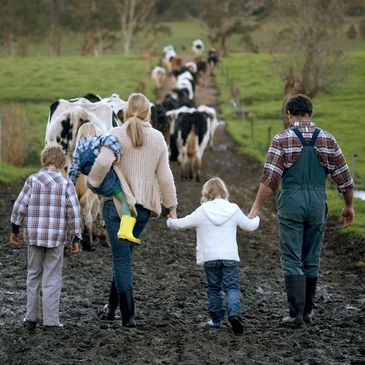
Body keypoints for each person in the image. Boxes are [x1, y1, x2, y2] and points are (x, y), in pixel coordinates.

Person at [248, 94, 355, 327]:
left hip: (292, 202)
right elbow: (345, 179)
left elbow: (270, 179)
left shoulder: (282, 139)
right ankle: (307, 312)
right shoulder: (327, 139)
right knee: (312, 255)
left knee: (291, 256)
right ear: (310, 114)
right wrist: (348, 205)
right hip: (318, 202)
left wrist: (256, 207)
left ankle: (295, 315)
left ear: (289, 115)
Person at [88, 93, 178, 327]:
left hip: (117, 208)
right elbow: (165, 177)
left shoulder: (115, 134)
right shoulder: (158, 138)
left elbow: (101, 163)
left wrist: (93, 183)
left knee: (121, 259)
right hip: (143, 210)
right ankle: (110, 309)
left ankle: (128, 317)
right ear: (149, 112)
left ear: (125, 112)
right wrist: (172, 206)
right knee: (124, 257)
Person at [167, 177, 260, 335]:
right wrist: (256, 217)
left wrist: (171, 221)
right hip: (229, 257)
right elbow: (250, 226)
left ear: (207, 193)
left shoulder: (202, 210)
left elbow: (181, 223)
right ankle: (234, 315)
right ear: (224, 192)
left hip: (210, 258)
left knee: (214, 289)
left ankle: (216, 320)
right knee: (232, 287)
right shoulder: (234, 209)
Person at [10, 143, 82, 330]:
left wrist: (15, 229)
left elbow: (19, 206)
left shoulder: (32, 180)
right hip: (56, 239)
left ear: (44, 161)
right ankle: (51, 321)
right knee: (52, 277)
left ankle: (30, 318)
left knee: (33, 275)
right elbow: (74, 212)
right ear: (61, 163)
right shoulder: (66, 183)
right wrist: (75, 238)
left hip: (33, 237)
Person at [68, 122, 140, 244]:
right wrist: (118, 153)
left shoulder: (77, 150)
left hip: (94, 185)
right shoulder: (97, 140)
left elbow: (74, 171)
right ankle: (126, 231)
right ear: (95, 132)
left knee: (108, 198)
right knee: (124, 200)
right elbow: (109, 139)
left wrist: (69, 186)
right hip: (107, 180)